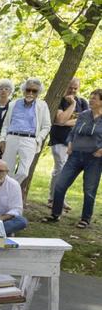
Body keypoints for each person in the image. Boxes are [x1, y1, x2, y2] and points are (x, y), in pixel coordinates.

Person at [44, 88, 102, 229]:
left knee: (89, 189)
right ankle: (55, 214)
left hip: (94, 159)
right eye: (90, 97)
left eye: (94, 98)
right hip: (75, 155)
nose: (90, 100)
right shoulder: (83, 115)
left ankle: (85, 219)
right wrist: (70, 144)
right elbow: (73, 132)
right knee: (60, 185)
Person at [0, 78, 51, 184]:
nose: (30, 93)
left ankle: (11, 187)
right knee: (6, 169)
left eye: (34, 91)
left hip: (30, 140)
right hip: (11, 138)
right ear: (24, 90)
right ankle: (7, 195)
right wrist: (2, 138)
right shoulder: (13, 104)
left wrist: (38, 139)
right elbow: (5, 124)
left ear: (38, 93)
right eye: (28, 90)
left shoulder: (42, 105)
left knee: (23, 172)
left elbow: (46, 126)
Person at [48, 78, 88, 210]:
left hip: (75, 143)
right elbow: (59, 120)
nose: (73, 90)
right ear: (65, 86)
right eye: (70, 87)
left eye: (75, 88)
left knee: (62, 170)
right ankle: (56, 200)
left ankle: (54, 198)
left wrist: (66, 121)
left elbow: (86, 121)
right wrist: (72, 105)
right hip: (59, 139)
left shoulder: (83, 102)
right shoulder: (60, 101)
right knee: (61, 168)